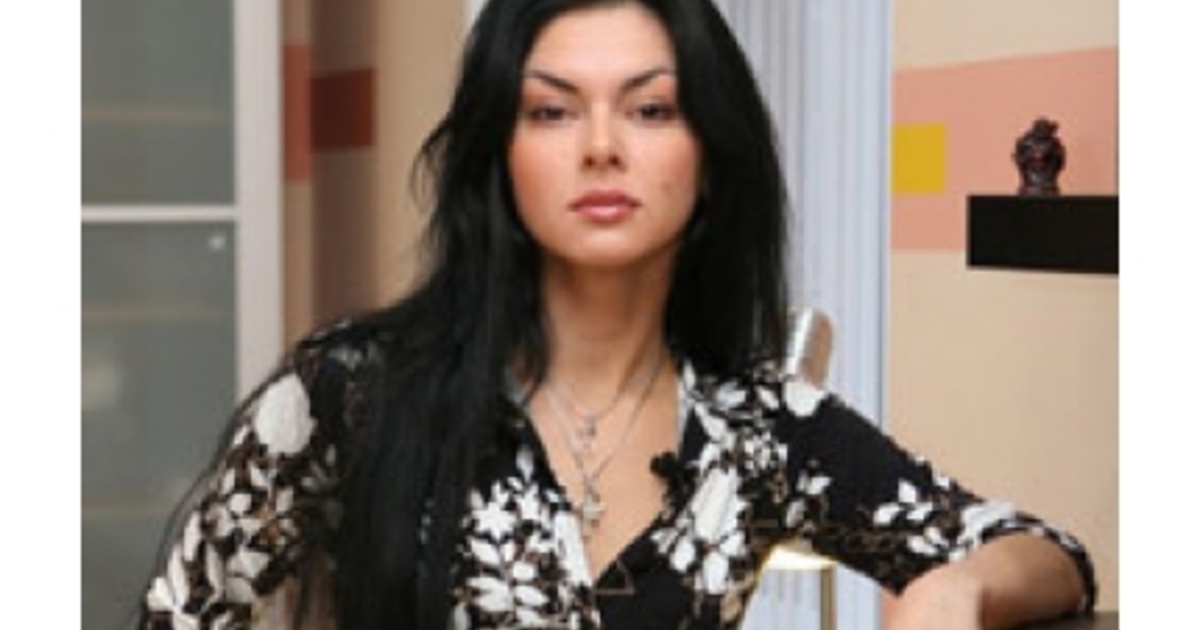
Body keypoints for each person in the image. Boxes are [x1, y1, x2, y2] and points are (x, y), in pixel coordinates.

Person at [136, 1, 1096, 629]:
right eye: (552, 112)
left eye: (651, 109)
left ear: (709, 155)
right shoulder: (348, 390)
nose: (601, 147)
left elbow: (1051, 557)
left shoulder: (762, 427)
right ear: (499, 158)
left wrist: (955, 585)